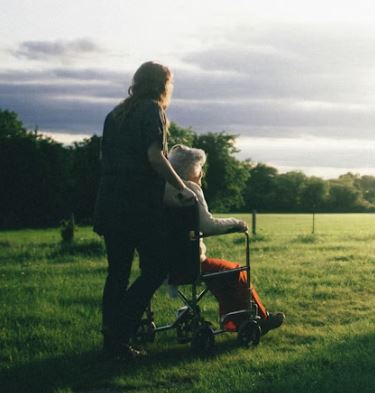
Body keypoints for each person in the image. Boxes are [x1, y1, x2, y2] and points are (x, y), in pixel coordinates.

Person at [93, 62, 196, 359]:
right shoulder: (152, 110)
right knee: (157, 268)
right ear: (162, 85)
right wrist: (182, 187)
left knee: (117, 273)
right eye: (170, 83)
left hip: (109, 203)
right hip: (137, 206)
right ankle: (120, 329)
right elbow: (155, 156)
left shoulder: (115, 114)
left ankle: (112, 341)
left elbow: (104, 158)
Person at [164, 144, 285, 335]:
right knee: (235, 271)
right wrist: (236, 223)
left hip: (164, 263)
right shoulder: (190, 190)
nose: (202, 173)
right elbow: (208, 225)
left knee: (221, 273)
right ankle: (258, 319)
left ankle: (233, 319)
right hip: (189, 263)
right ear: (191, 170)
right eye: (200, 168)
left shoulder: (162, 189)